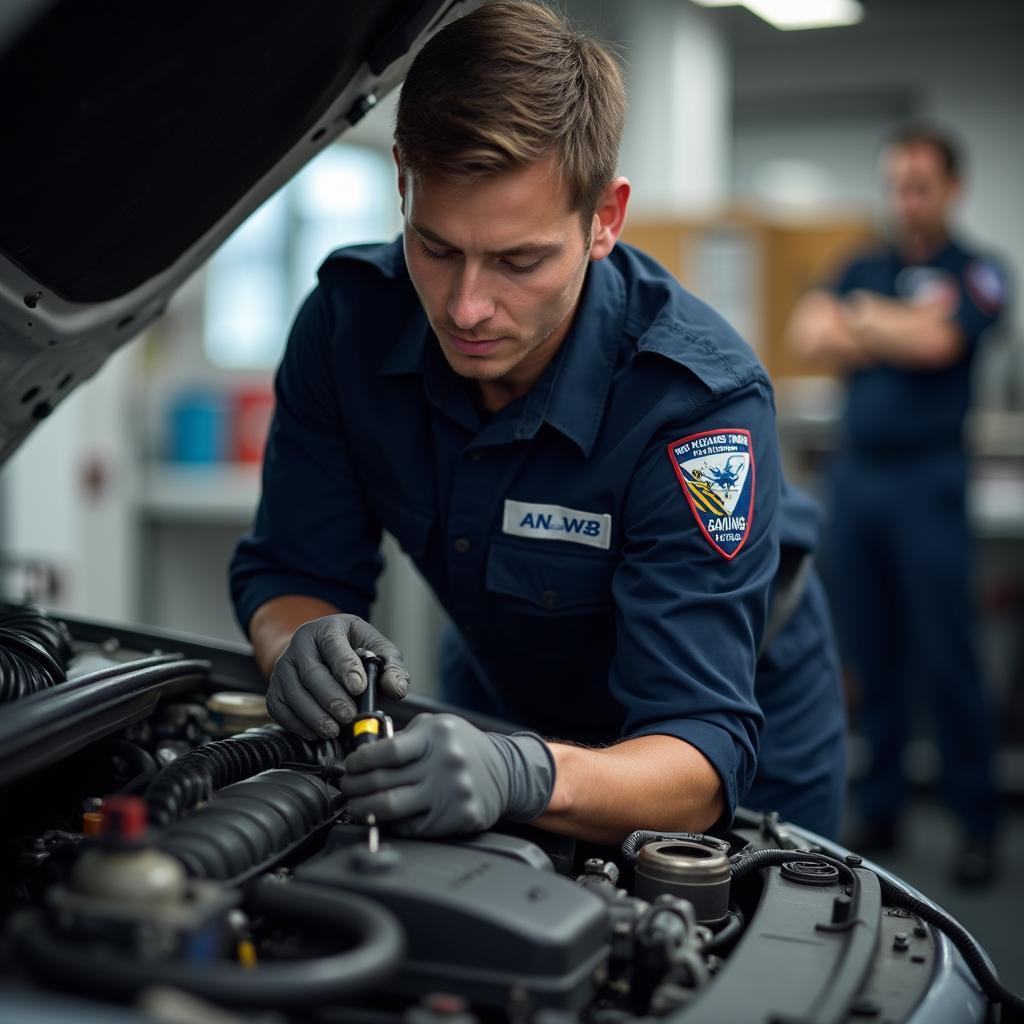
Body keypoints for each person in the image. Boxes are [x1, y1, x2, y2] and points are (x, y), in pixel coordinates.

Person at [230, 0, 845, 846]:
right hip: (501, 687)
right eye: (437, 247)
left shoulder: (696, 404)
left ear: (606, 220)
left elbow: (700, 748)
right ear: (403, 183)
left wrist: (522, 773)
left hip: (727, 730)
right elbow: (295, 570)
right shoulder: (348, 326)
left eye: (520, 260)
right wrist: (299, 643)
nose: (467, 307)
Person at [786, 126, 1007, 883]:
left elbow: (943, 345)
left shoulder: (979, 271)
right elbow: (808, 329)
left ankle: (977, 822)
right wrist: (895, 326)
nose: (906, 201)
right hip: (858, 478)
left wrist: (864, 321)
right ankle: (880, 806)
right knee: (867, 651)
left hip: (929, 480)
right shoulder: (864, 261)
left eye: (920, 186)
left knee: (946, 655)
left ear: (950, 188)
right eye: (897, 185)